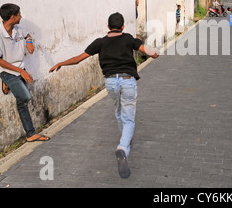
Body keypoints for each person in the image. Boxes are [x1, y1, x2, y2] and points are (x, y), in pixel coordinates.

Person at [49, 12, 158, 179]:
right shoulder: (129, 38)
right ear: (122, 26)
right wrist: (155, 52)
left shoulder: (100, 42)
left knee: (118, 112)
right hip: (127, 80)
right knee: (128, 118)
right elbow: (148, 51)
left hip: (111, 83)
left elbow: (79, 58)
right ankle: (123, 147)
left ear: (108, 27)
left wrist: (61, 63)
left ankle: (125, 143)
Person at [0, 3, 50, 142]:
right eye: (19, 14)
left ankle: (30, 134)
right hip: (8, 71)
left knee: (22, 102)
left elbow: (27, 34)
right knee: (25, 97)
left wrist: (29, 41)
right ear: (12, 16)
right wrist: (20, 72)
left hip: (20, 68)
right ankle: (6, 82)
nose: (21, 16)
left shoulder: (18, 28)